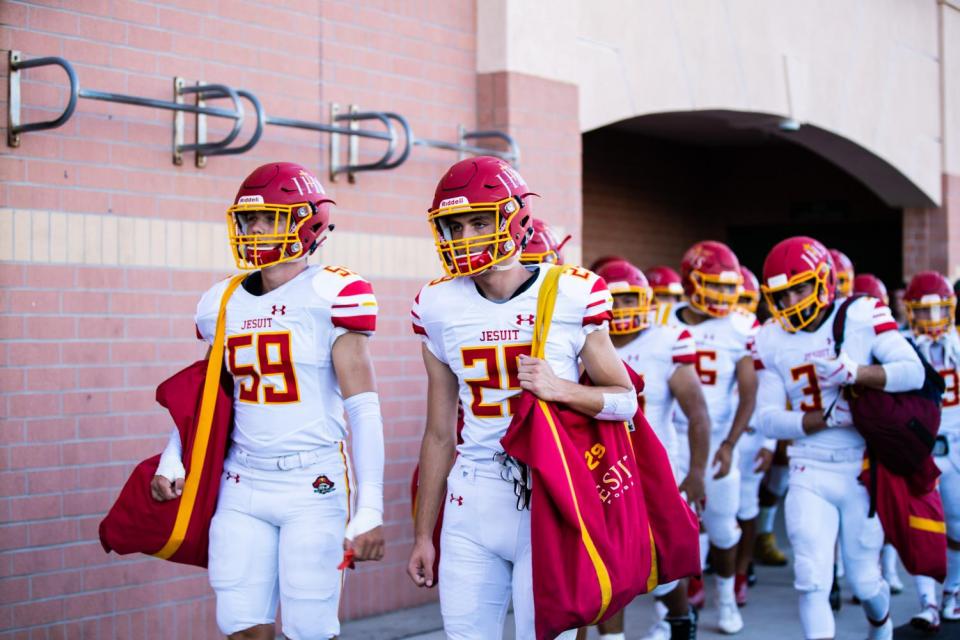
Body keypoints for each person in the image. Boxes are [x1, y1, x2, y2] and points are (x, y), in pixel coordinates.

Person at [151, 162, 385, 640]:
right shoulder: (221, 300)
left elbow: (364, 408)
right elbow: (208, 397)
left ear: (308, 223)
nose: (255, 229)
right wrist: (173, 456)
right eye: (249, 219)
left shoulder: (333, 292)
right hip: (242, 480)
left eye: (270, 218)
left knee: (309, 627)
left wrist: (371, 506)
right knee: (239, 624)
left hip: (312, 481)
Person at [405, 156, 636, 640]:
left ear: (516, 218)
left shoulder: (570, 292)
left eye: (479, 222)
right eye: (455, 225)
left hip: (549, 491)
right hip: (472, 492)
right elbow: (438, 433)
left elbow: (625, 401)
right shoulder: (438, 304)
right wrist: (423, 533)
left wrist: (561, 389)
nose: (465, 236)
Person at [753, 236, 924, 640]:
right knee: (811, 576)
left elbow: (913, 372)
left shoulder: (861, 313)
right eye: (782, 293)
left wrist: (858, 374)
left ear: (824, 281)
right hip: (807, 465)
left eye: (800, 287)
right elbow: (766, 419)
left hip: (861, 467)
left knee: (865, 581)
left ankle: (880, 628)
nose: (792, 300)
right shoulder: (770, 337)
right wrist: (822, 419)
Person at [595, 259, 710, 640]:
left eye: (631, 299)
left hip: (659, 468)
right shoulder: (582, 341)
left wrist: (695, 473)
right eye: (616, 300)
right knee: (611, 564)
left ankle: (679, 619)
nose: (624, 309)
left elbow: (697, 413)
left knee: (664, 568)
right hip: (605, 468)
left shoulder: (667, 340)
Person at [666, 240, 758, 634]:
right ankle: (669, 614)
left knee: (722, 528)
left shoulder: (739, 328)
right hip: (673, 438)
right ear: (690, 281)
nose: (722, 295)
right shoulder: (663, 320)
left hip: (718, 438)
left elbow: (749, 394)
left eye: (727, 287)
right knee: (673, 529)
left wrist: (730, 444)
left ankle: (724, 596)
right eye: (714, 285)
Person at [904, 271, 960, 631]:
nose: (931, 320)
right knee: (921, 527)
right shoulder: (899, 345)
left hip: (956, 443)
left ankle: (953, 590)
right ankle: (927, 600)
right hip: (919, 445)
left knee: (956, 525)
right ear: (909, 312)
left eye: (939, 310)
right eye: (923, 312)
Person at [731, 265, 775, 606]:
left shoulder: (758, 333)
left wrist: (770, 441)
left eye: (747, 300)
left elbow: (771, 388)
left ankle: (741, 571)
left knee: (746, 506)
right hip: (714, 430)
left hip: (748, 432)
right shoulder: (702, 327)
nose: (740, 306)